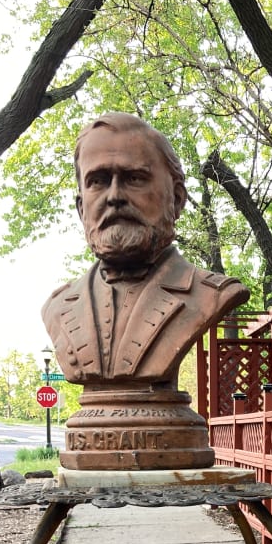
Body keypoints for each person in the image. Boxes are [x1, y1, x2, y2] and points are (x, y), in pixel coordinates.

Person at [43, 113, 249, 383]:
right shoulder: (57, 307)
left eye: (134, 179)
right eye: (98, 181)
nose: (115, 196)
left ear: (176, 199)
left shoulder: (212, 294)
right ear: (81, 208)